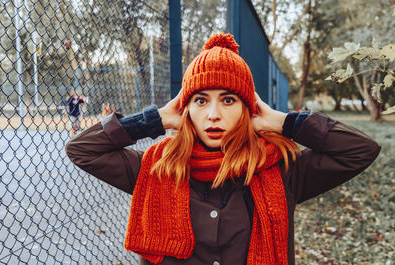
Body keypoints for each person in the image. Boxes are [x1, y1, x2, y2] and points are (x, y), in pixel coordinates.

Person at [65, 33, 380, 265]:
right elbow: (82, 149)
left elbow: (360, 150)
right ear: (186, 108)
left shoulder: (283, 170)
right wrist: (155, 119)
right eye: (201, 100)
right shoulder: (155, 168)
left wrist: (284, 122)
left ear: (247, 108)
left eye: (228, 100)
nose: (213, 114)